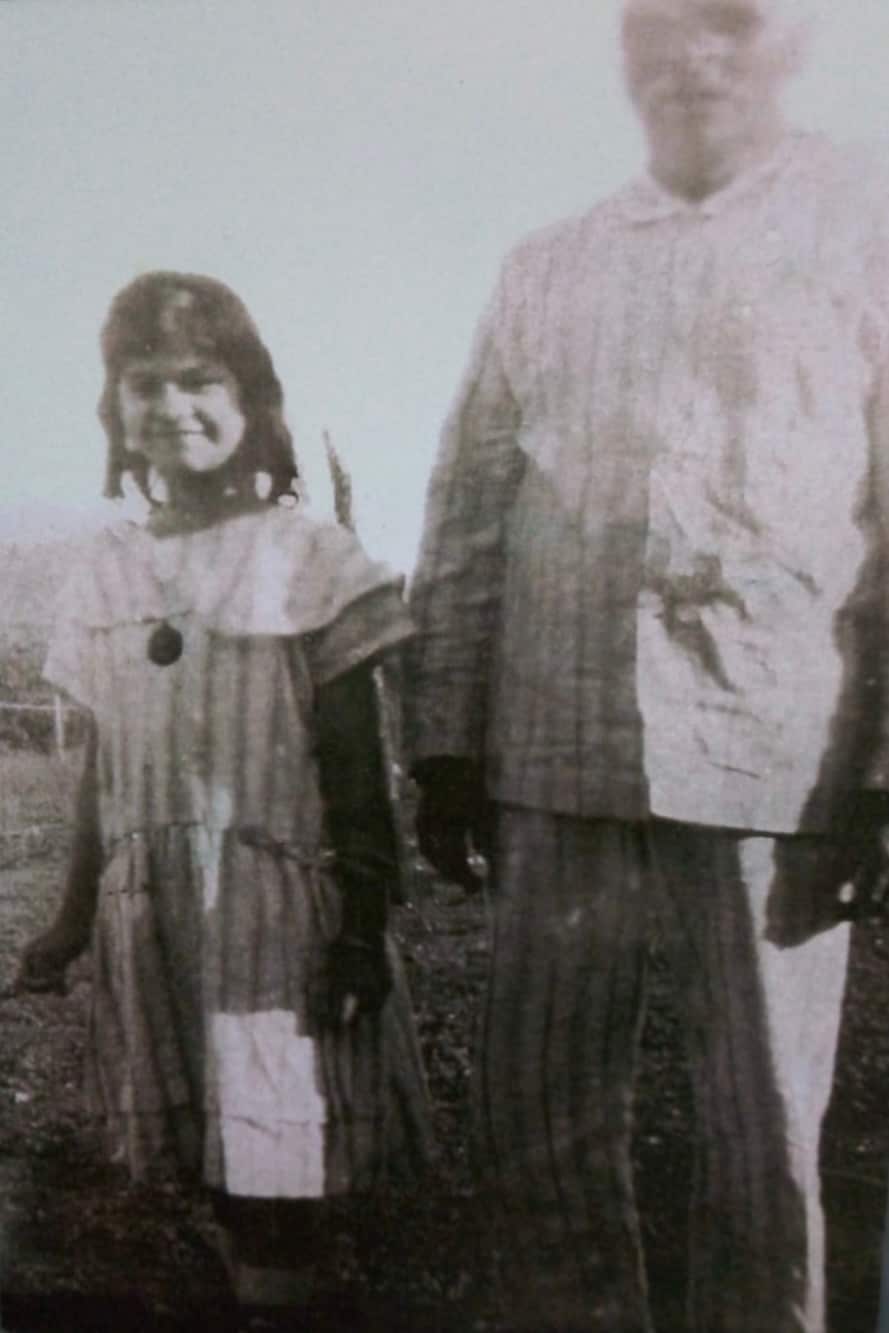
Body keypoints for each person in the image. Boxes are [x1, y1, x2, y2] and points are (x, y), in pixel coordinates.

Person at [407, 2, 889, 1330]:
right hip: (554, 749)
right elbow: (465, 509)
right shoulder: (546, 263)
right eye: (656, 24)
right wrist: (445, 742)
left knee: (762, 1135)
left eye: (728, 19)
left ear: (790, 43)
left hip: (775, 751)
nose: (690, 52)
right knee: (543, 1126)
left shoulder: (867, 228)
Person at [16, 271, 433, 1330]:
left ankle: (287, 1305)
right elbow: (105, 771)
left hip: (273, 913)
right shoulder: (103, 572)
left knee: (276, 1167)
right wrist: (69, 917)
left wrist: (361, 923)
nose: (170, 405)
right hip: (149, 911)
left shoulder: (310, 559)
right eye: (142, 382)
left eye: (199, 379)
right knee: (213, 1150)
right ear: (115, 410)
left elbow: (356, 771)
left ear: (252, 402)